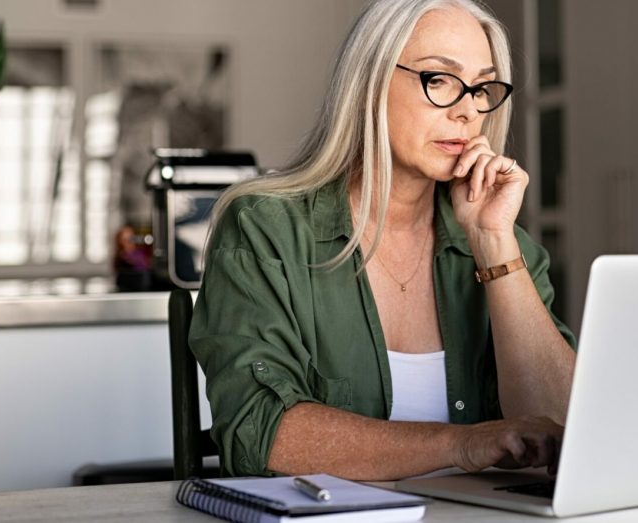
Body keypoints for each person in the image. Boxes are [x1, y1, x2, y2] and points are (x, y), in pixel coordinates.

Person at [189, 0, 576, 481]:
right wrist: (464, 443)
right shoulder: (265, 228)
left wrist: (493, 245)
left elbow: (569, 431)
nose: (467, 111)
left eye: (481, 88)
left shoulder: (500, 240)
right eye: (439, 80)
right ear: (369, 81)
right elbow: (260, 434)